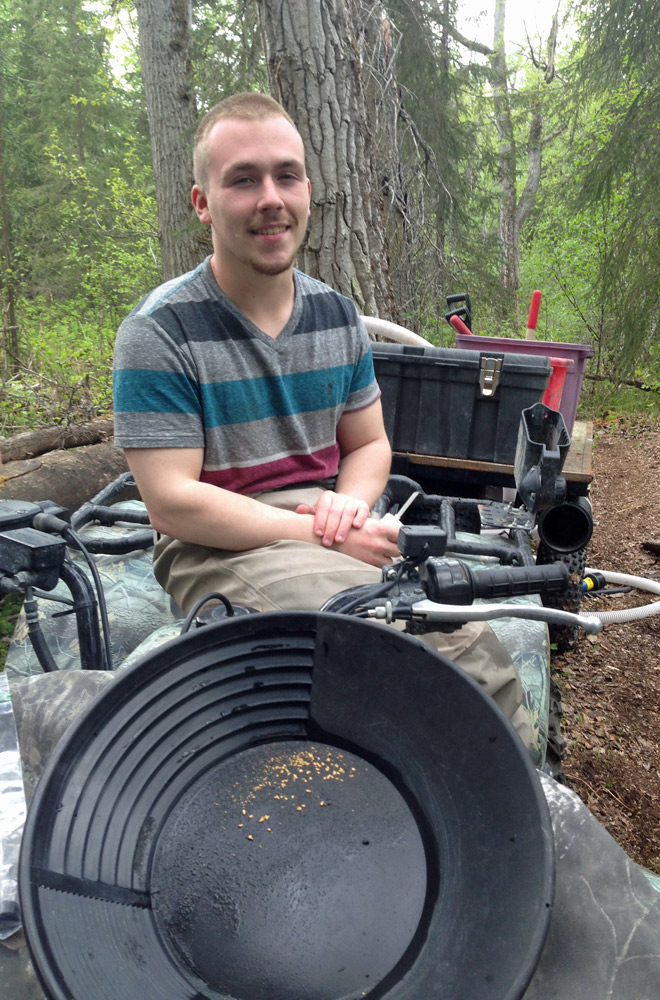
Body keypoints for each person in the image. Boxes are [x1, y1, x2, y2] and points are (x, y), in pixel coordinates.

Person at [113, 91, 531, 746]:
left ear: (308, 189)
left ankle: (505, 819)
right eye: (243, 180)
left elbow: (368, 446)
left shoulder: (336, 316)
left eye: (285, 175)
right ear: (202, 203)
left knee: (474, 647)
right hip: (217, 545)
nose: (270, 198)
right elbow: (172, 504)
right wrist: (321, 534)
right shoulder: (160, 331)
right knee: (406, 653)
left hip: (321, 522)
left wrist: (347, 508)